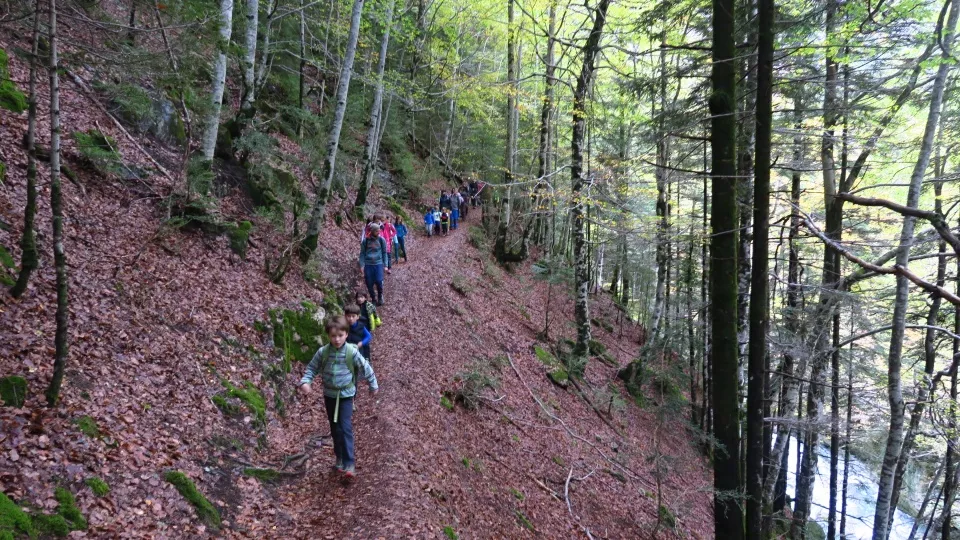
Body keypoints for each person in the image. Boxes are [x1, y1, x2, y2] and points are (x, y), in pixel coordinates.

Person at [299, 315, 378, 478]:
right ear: (328, 335)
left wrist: (373, 385)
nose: (337, 339)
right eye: (333, 336)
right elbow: (312, 368)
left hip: (346, 395)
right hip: (329, 395)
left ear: (346, 334)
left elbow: (366, 367)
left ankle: (349, 463)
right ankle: (340, 457)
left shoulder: (351, 352)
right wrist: (306, 382)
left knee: (345, 427)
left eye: (340, 335)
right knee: (335, 429)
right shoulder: (323, 352)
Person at [359, 224, 388, 305]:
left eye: (379, 230)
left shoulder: (381, 240)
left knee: (379, 281)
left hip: (378, 264)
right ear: (372, 231)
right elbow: (362, 253)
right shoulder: (366, 241)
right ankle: (373, 298)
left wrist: (385, 265)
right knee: (369, 283)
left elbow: (384, 253)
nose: (378, 232)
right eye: (376, 230)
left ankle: (380, 296)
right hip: (368, 265)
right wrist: (361, 265)